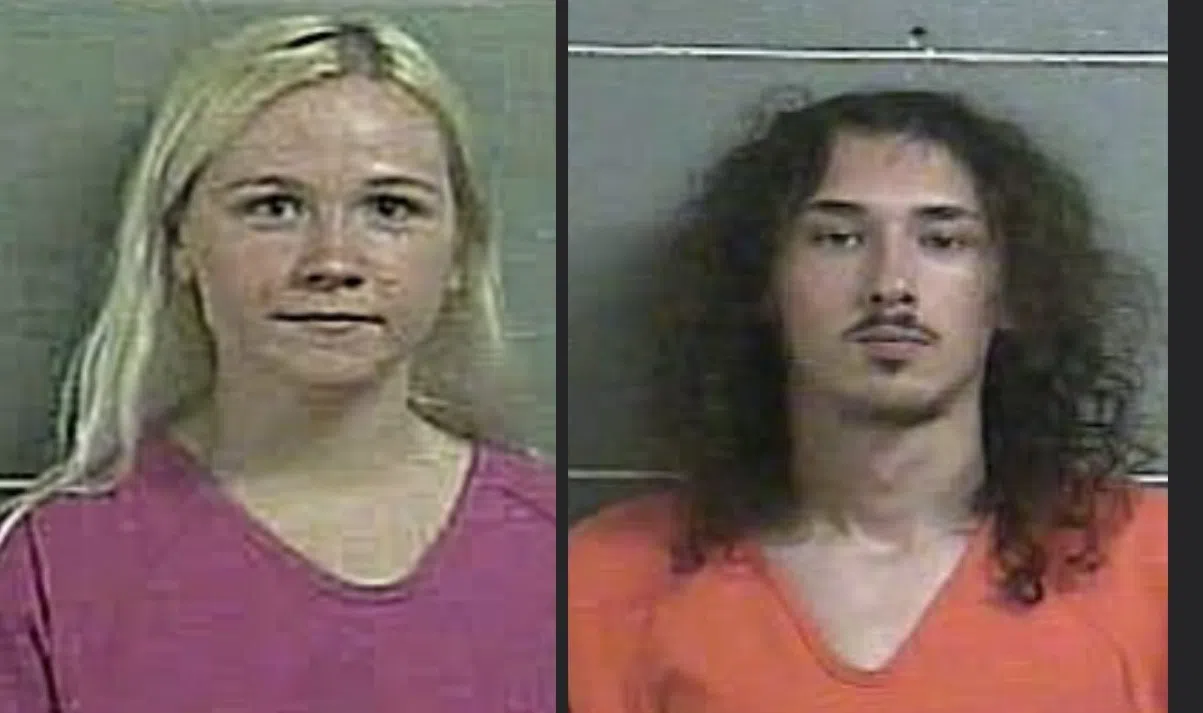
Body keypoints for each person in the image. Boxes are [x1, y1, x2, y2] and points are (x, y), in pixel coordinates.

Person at [0, 15, 555, 712]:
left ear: (459, 252)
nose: (333, 261)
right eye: (274, 206)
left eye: (389, 207)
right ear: (179, 243)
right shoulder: (55, 568)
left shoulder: (556, 549)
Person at [569, 89, 1165, 712]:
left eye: (943, 241)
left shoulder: (1153, 566)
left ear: (1012, 291)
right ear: (764, 285)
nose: (891, 285)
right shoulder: (607, 577)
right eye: (838, 238)